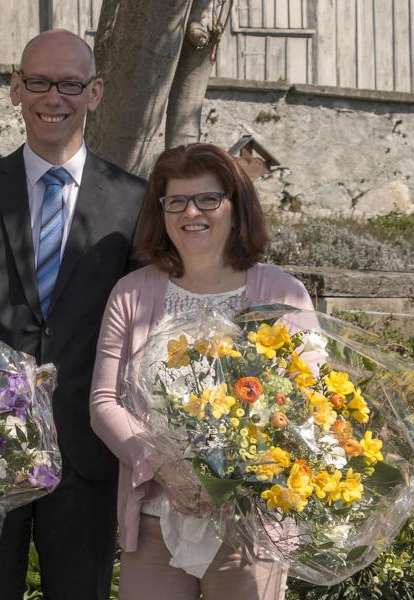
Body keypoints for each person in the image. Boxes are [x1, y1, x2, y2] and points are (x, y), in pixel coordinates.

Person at [0, 29, 145, 599]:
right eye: (39, 83)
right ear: (16, 89)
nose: (54, 98)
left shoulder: (134, 201)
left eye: (70, 84)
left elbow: (145, 332)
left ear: (95, 91)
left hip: (87, 452)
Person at [89, 143, 313, 599]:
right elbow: (104, 402)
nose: (192, 212)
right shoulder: (132, 294)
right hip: (156, 517)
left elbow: (308, 401)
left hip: (250, 524)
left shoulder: (283, 294)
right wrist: (164, 466)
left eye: (208, 199)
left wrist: (232, 473)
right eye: (176, 201)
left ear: (236, 206)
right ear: (162, 212)